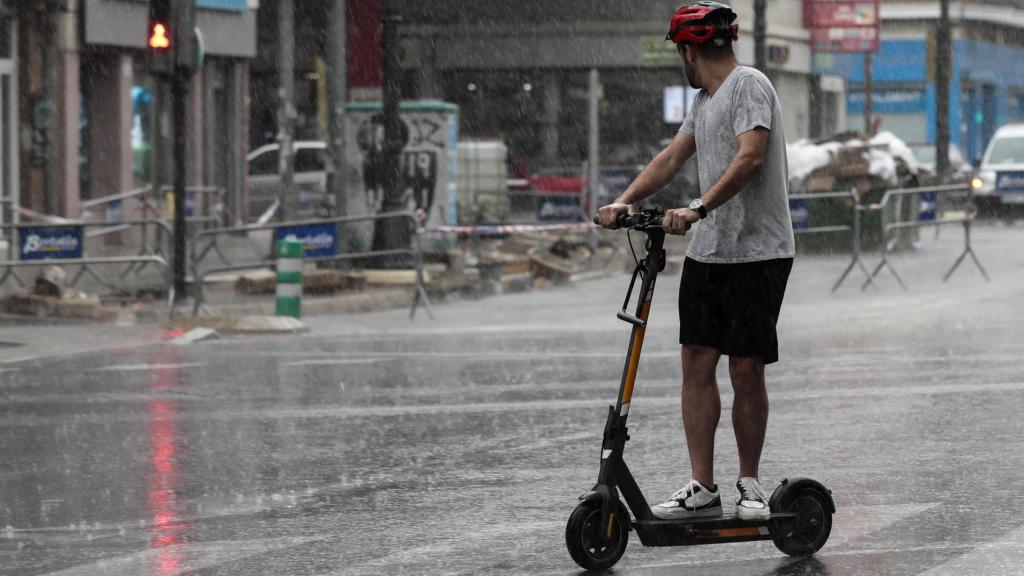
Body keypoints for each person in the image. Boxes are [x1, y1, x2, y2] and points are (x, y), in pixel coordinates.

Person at [596, 1, 795, 522]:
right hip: (710, 252)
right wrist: (624, 201)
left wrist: (697, 208)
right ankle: (702, 487)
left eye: (679, 53)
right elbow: (671, 157)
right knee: (697, 362)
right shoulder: (704, 101)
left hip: (758, 251)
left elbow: (750, 156)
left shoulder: (748, 85)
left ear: (689, 51)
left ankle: (749, 484)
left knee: (745, 368)